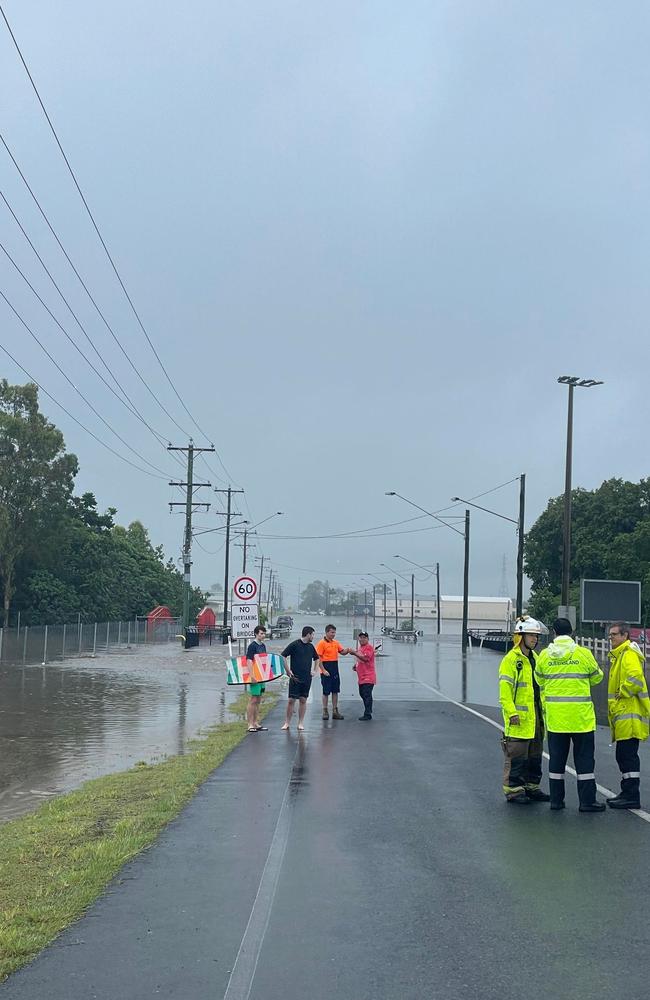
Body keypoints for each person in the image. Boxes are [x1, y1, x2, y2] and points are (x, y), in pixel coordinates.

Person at [534, 617, 605, 812]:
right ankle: (587, 802)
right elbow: (597, 677)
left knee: (556, 761)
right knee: (584, 762)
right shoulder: (583, 654)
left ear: (554, 632)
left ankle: (556, 801)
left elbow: (539, 680)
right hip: (581, 719)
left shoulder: (545, 656)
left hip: (557, 720)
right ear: (572, 633)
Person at [498, 616, 550, 804]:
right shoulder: (511, 660)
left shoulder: (535, 659)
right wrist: (511, 712)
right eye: (531, 635)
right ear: (520, 636)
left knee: (535, 755)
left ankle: (531, 787)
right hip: (518, 719)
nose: (535, 639)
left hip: (536, 718)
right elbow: (505, 691)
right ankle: (514, 791)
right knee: (517, 756)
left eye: (536, 636)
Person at [607, 622, 649, 809]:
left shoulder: (628, 654)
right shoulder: (620, 655)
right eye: (610, 635)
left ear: (625, 635)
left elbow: (635, 679)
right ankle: (627, 793)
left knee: (627, 756)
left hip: (629, 715)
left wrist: (622, 691)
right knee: (624, 756)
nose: (611, 638)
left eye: (614, 635)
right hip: (624, 714)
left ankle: (631, 796)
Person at [281, 626, 325, 731]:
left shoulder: (310, 647)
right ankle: (287, 722)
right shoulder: (295, 644)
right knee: (291, 700)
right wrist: (287, 670)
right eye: (312, 634)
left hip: (306, 677)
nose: (313, 637)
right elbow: (283, 656)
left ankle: (300, 723)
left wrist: (315, 670)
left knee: (303, 699)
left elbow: (317, 658)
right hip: (295, 677)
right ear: (308, 634)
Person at [315, 624, 351, 720]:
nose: (333, 634)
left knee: (335, 690)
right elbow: (318, 658)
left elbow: (342, 651)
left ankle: (335, 711)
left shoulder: (335, 643)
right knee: (326, 691)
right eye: (332, 632)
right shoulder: (321, 643)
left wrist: (348, 650)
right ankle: (325, 711)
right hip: (326, 668)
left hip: (334, 668)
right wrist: (323, 670)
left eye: (334, 632)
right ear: (327, 632)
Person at [348, 631, 378, 720]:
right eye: (360, 637)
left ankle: (368, 713)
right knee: (362, 693)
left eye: (364, 637)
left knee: (366, 694)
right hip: (361, 677)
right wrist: (356, 666)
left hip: (368, 676)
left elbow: (366, 658)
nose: (362, 639)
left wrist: (354, 652)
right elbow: (360, 659)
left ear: (367, 639)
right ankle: (368, 710)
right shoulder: (361, 648)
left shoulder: (369, 648)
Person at [245, 625, 268, 733]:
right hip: (255, 676)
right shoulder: (252, 646)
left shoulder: (263, 645)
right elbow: (249, 661)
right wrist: (252, 675)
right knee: (253, 699)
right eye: (261, 633)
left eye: (264, 633)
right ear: (256, 634)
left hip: (262, 676)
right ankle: (249, 724)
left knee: (259, 699)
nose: (263, 635)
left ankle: (255, 722)